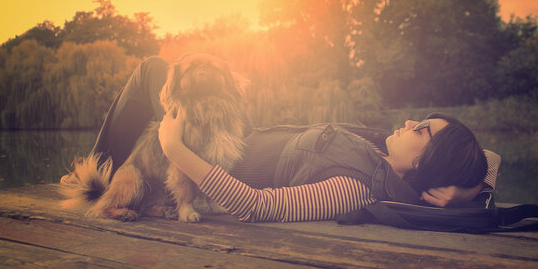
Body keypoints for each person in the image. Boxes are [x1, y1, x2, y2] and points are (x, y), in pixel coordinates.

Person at [62, 55, 500, 223]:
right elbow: (489, 158)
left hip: (217, 155)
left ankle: (95, 182)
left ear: (424, 165)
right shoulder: (380, 151)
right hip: (242, 134)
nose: (408, 123)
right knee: (160, 68)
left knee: (149, 72)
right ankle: (99, 178)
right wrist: (473, 188)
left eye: (421, 131)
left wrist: (175, 148)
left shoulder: (355, 187)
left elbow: (258, 207)